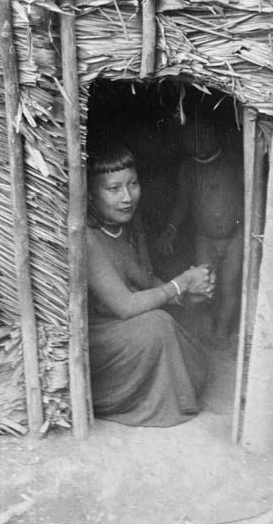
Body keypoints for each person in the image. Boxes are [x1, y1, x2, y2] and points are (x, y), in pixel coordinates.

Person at [86, 144, 215, 427]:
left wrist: (186, 293)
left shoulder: (125, 226)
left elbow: (144, 280)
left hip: (122, 328)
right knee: (157, 324)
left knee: (178, 321)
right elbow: (125, 305)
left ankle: (173, 392)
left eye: (133, 184)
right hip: (96, 338)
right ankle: (130, 399)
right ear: (91, 194)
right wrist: (180, 284)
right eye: (113, 188)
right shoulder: (87, 238)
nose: (127, 197)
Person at [156, 115, 244, 345]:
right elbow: (182, 202)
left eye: (204, 134)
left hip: (235, 238)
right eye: (191, 137)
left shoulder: (233, 162)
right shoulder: (187, 169)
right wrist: (171, 229)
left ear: (216, 134)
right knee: (202, 287)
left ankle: (222, 333)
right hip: (204, 238)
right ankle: (203, 332)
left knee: (229, 286)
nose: (199, 141)